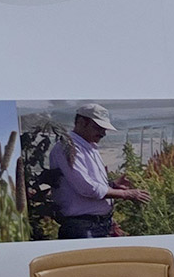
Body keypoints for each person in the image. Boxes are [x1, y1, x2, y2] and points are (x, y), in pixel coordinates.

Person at [46, 101, 151, 238]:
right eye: (98, 128)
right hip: (81, 228)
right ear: (82, 122)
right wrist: (126, 194)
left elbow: (89, 184)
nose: (103, 133)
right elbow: (87, 188)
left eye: (104, 129)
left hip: (98, 225)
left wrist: (112, 185)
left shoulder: (89, 146)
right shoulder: (68, 148)